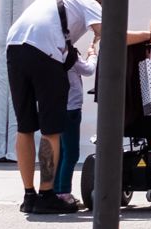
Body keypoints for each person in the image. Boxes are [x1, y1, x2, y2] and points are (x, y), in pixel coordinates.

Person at [6, 0, 151, 215]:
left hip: (14, 47)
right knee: (51, 130)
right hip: (45, 52)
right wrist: (150, 35)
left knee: (25, 127)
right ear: (101, 2)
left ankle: (29, 195)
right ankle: (47, 194)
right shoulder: (90, 3)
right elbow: (112, 35)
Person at [51, 35, 98, 214]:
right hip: (71, 108)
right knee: (71, 153)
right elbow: (87, 69)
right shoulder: (70, 54)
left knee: (60, 151)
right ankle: (64, 192)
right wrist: (92, 54)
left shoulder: (52, 53)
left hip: (57, 106)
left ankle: (55, 190)